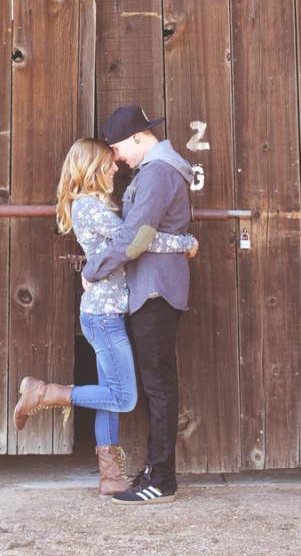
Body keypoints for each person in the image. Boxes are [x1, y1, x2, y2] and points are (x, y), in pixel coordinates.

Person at [13, 137, 198, 497]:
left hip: (110, 311)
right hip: (103, 315)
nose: (116, 167)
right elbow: (138, 240)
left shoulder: (97, 205)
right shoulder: (90, 208)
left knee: (108, 395)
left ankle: (110, 474)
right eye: (108, 163)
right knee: (122, 397)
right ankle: (45, 393)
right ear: (92, 168)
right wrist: (184, 243)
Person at [81, 105, 194, 505]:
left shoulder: (159, 173)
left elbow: (136, 238)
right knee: (153, 384)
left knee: (159, 386)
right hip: (149, 289)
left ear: (137, 138)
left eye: (116, 148)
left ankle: (162, 479)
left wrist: (94, 269)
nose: (116, 157)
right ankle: (155, 469)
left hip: (156, 291)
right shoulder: (152, 172)